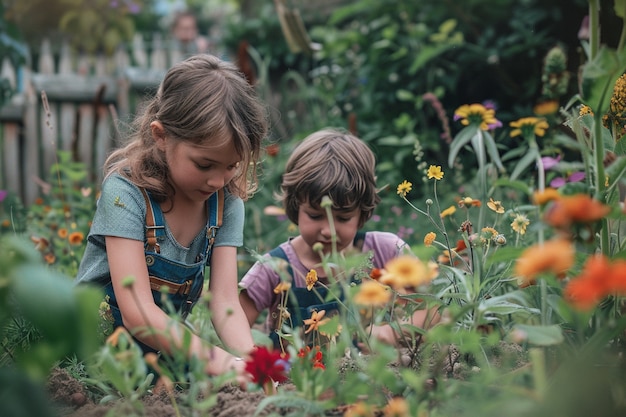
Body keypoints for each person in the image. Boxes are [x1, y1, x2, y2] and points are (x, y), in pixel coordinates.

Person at [75, 54, 268, 382]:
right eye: (204, 165)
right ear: (162, 136)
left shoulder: (226, 204)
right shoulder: (126, 193)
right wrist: (219, 362)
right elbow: (136, 312)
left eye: (232, 166)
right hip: (93, 353)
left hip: (161, 352)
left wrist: (253, 363)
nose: (218, 181)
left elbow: (224, 302)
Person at [238, 128, 438, 350]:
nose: (328, 231)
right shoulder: (275, 267)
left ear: (362, 213)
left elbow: (431, 311)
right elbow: (233, 322)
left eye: (342, 218)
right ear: (295, 207)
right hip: (297, 382)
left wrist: (391, 333)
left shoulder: (386, 251)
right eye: (315, 215)